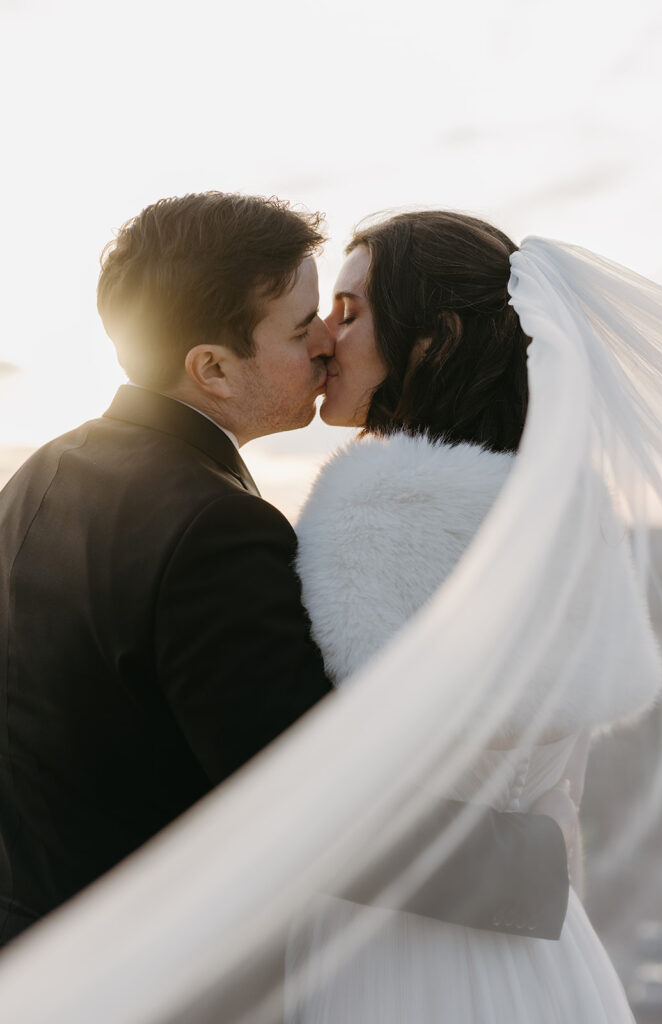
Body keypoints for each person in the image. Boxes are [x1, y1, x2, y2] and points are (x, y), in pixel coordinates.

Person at [0, 193, 570, 950]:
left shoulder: (39, 475)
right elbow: (300, 805)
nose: (326, 346)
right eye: (303, 329)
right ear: (212, 368)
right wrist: (537, 863)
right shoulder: (216, 528)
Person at [289, 210, 662, 1021]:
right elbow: (557, 800)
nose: (324, 336)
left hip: (391, 944)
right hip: (543, 947)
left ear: (437, 339)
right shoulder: (566, 509)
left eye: (350, 312)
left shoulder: (372, 505)